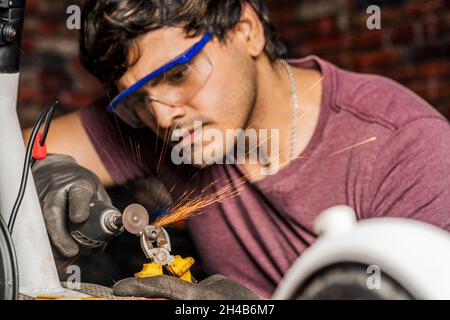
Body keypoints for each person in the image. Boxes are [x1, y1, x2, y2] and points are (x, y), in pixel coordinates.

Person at [25, 0, 450, 299]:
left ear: (247, 30)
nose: (162, 116)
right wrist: (45, 173)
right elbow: (16, 154)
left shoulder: (408, 149)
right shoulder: (160, 119)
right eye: (136, 99)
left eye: (178, 73)